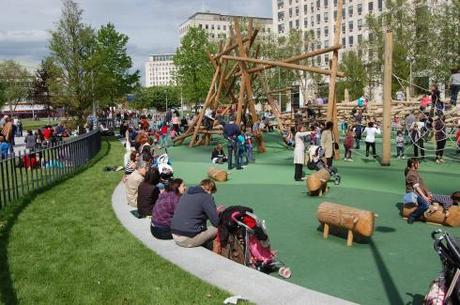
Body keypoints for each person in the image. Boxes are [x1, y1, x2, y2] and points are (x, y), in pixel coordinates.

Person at [170, 179, 222, 248]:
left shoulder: (186, 194)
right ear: (210, 190)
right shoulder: (207, 197)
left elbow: (195, 213)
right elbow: (216, 223)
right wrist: (217, 213)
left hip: (175, 235)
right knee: (219, 228)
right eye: (212, 192)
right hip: (187, 239)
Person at [403, 158, 430, 224]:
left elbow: (422, 184)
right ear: (413, 164)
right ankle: (412, 216)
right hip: (413, 194)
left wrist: (428, 193)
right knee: (425, 204)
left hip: (418, 193)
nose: (419, 165)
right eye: (418, 163)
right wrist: (424, 197)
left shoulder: (415, 172)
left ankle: (420, 214)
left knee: (431, 200)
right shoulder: (411, 174)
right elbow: (416, 187)